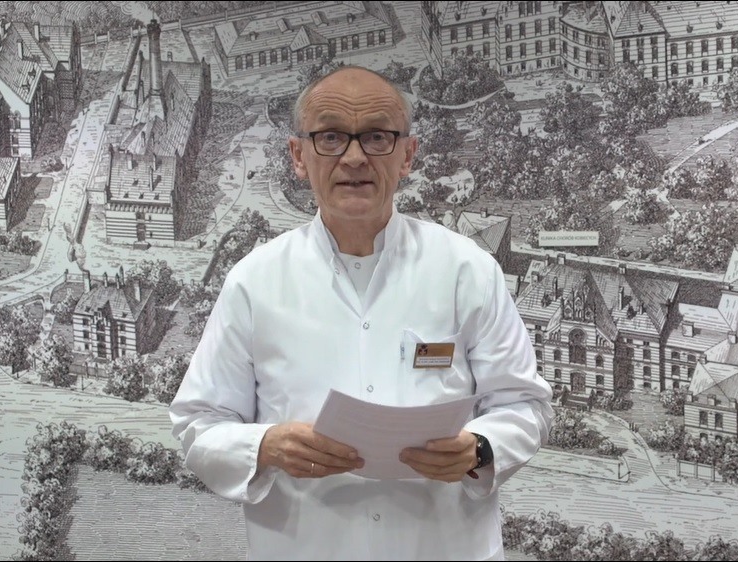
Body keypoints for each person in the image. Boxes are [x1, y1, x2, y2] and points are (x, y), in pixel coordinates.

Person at [169, 66, 554, 561]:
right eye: (330, 137)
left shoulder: (467, 270)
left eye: (376, 137)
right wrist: (266, 445)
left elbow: (526, 406)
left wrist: (481, 448)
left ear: (407, 155)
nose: (354, 157)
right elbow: (198, 424)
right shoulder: (254, 281)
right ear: (298, 156)